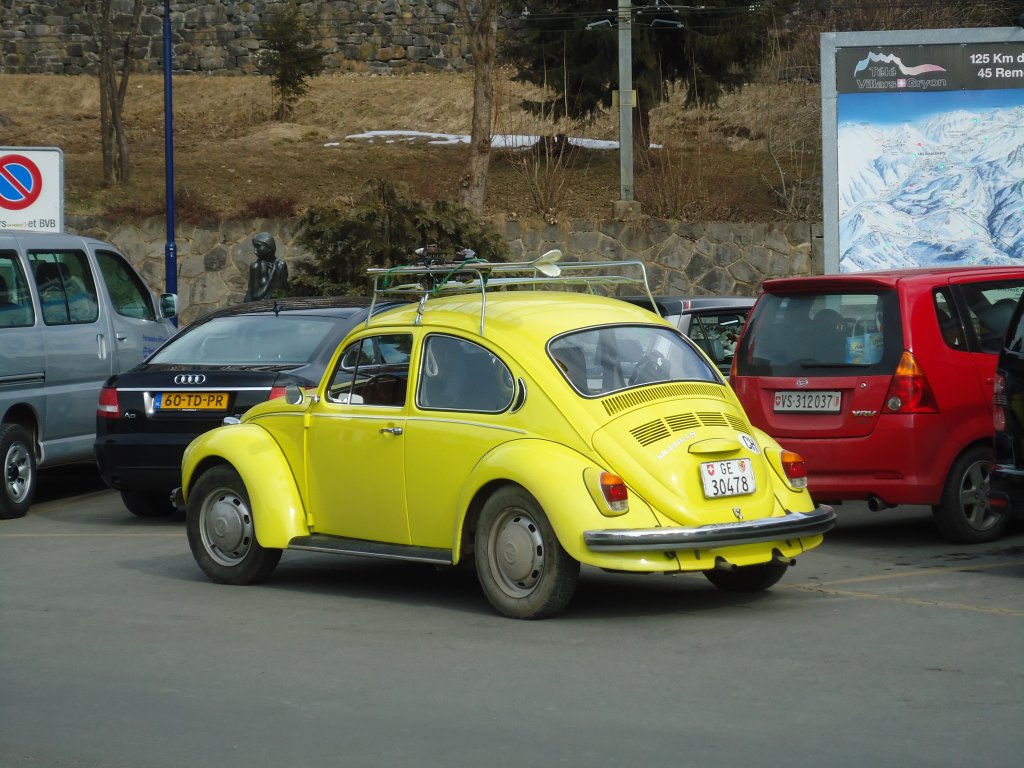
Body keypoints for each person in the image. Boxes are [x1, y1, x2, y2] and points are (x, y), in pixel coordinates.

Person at [243, 232, 288, 302]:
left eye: (258, 246)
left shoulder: (281, 265)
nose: (255, 251)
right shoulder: (256, 266)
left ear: (269, 247)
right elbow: (255, 297)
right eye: (254, 247)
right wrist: (272, 276)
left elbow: (282, 293)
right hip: (257, 308)